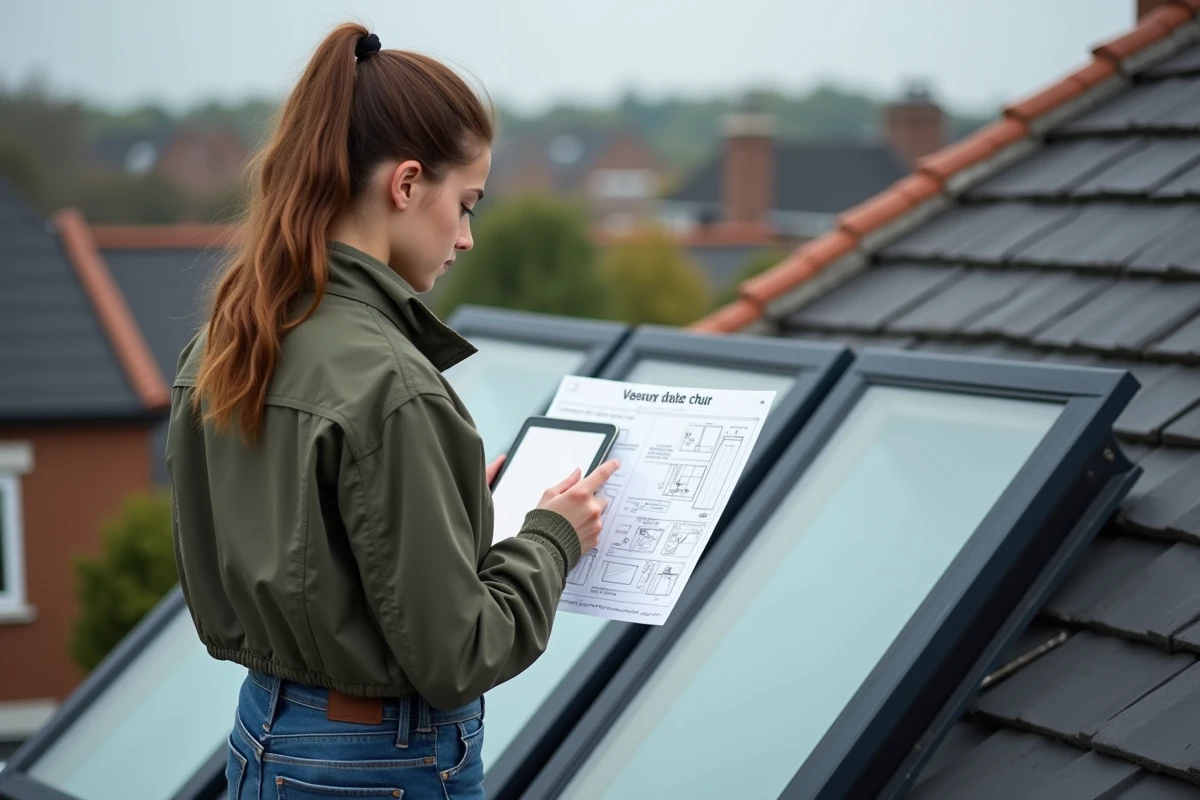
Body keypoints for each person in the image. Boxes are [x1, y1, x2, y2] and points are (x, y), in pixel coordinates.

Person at [166, 23, 619, 799]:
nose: (468, 238)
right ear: (406, 185)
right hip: (381, 765)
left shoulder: (228, 337)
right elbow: (461, 656)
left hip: (262, 738)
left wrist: (448, 506)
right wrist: (551, 537)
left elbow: (308, 550)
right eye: (466, 204)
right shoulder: (393, 386)